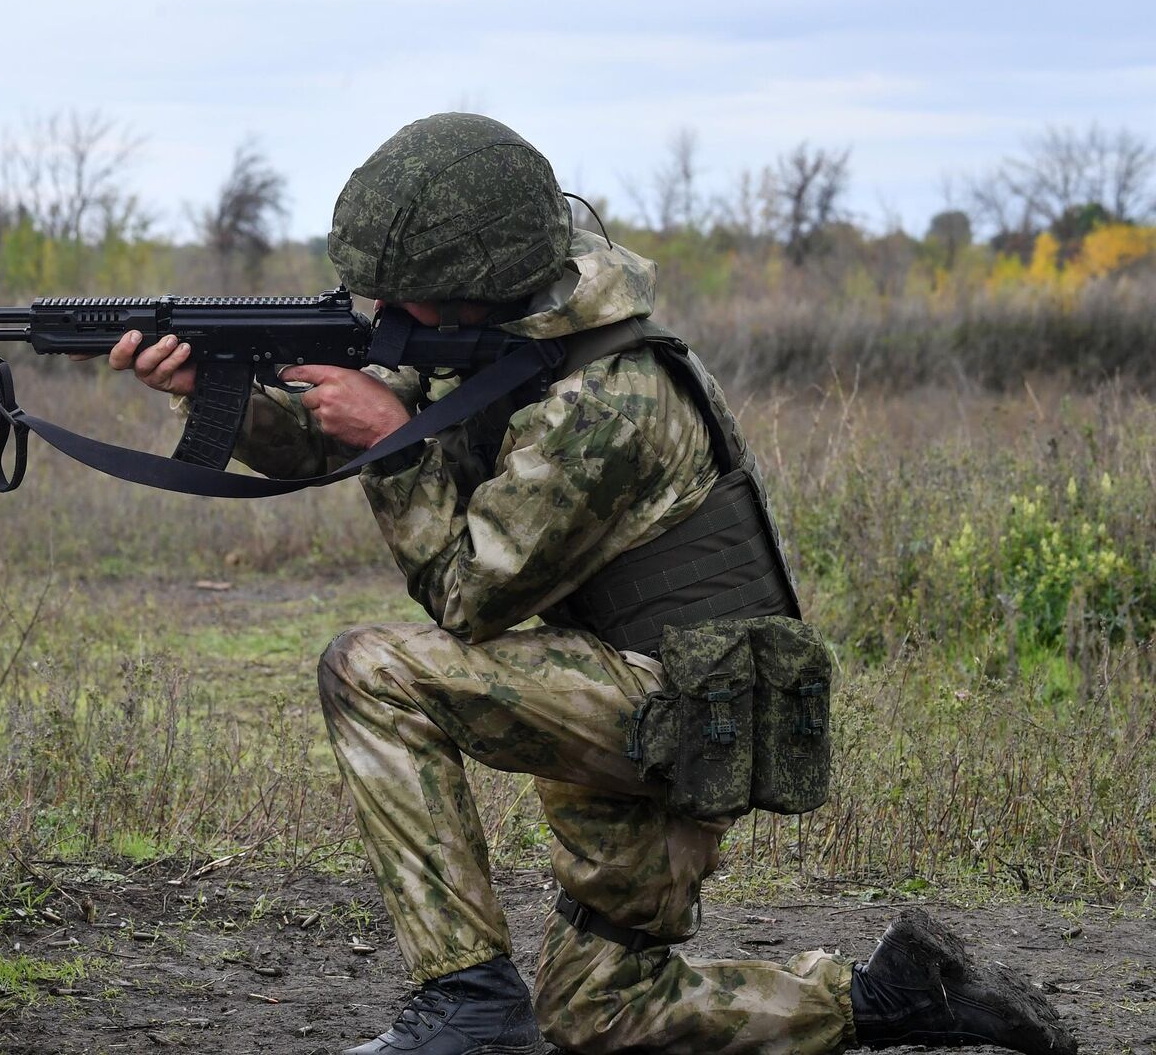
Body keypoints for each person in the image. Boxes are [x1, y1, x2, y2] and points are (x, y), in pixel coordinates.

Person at [99, 113, 1076, 1055]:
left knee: (372, 668)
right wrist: (219, 398)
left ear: (473, 287)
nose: (388, 321)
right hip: (640, 691)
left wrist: (386, 442)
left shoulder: (608, 401)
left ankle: (466, 1003)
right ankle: (897, 997)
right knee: (601, 1013)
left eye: (405, 301)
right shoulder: (516, 337)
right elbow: (341, 432)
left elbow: (466, 596)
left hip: (681, 714)